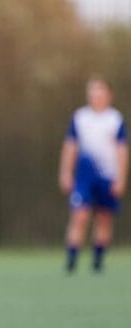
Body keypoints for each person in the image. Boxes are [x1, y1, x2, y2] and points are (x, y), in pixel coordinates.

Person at [59, 77, 128, 273]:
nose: (96, 95)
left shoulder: (115, 119)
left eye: (100, 91)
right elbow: (70, 146)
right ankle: (71, 261)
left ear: (108, 95)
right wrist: (65, 172)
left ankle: (97, 262)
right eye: (93, 92)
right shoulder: (80, 118)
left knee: (104, 218)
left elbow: (122, 150)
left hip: (108, 176)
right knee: (80, 215)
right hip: (85, 175)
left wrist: (121, 179)